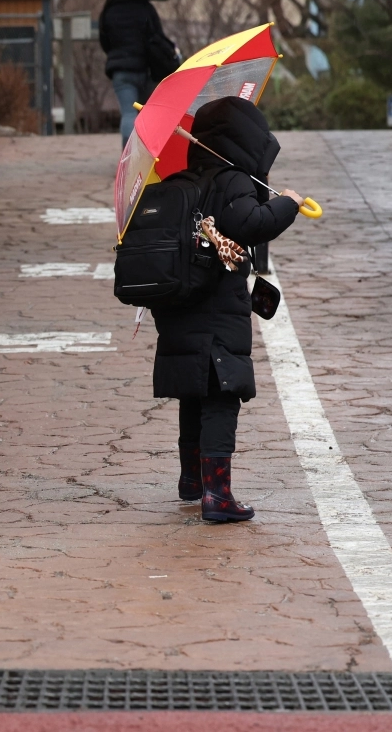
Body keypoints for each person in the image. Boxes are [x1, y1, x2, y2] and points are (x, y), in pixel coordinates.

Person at [151, 96, 304, 523]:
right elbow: (251, 224)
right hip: (218, 309)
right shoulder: (231, 181)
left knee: (193, 391)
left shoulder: (182, 181)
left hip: (180, 308)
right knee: (222, 393)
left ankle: (191, 479)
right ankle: (218, 494)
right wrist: (287, 202)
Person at [98, 0, 179, 146]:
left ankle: (126, 158)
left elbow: (104, 41)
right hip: (145, 69)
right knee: (147, 114)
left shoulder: (109, 10)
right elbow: (157, 36)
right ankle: (146, 155)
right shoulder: (145, 8)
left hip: (120, 71)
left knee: (128, 113)